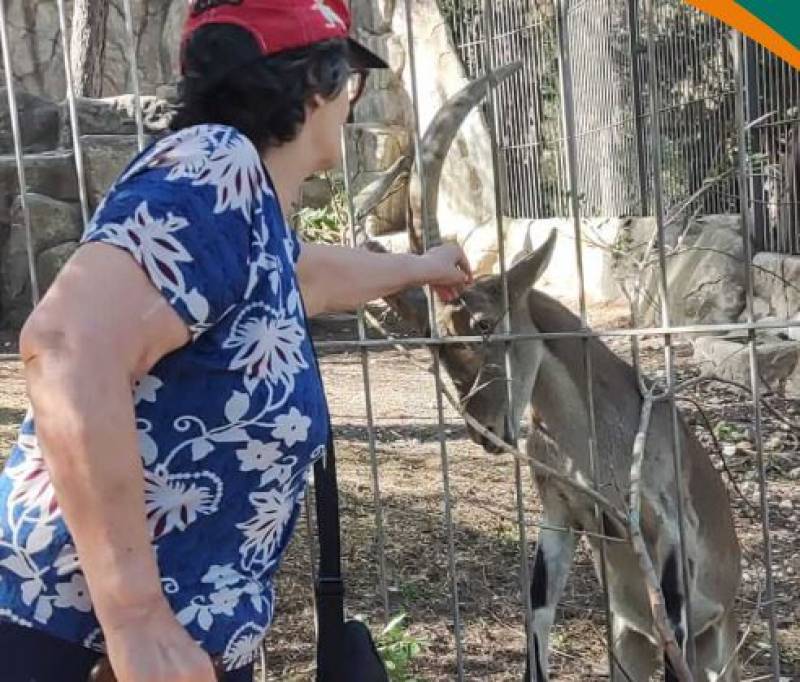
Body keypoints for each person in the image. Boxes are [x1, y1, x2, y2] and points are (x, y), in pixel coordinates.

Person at [0, 1, 472, 681]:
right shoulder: (213, 167)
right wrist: (135, 617)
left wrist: (421, 269)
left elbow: (306, 273)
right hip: (76, 645)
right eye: (353, 83)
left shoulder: (246, 213)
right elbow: (69, 344)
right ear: (323, 79)